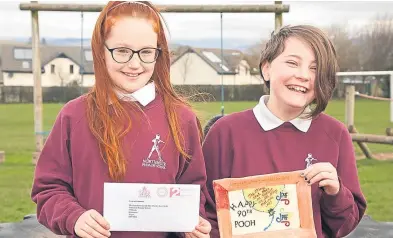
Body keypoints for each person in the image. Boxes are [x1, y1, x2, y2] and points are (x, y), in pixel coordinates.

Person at [31, 1, 211, 238]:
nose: (135, 64)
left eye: (146, 52)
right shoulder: (73, 115)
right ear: (101, 50)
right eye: (122, 51)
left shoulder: (182, 119)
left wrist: (192, 224)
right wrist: (74, 217)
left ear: (159, 54)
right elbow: (48, 190)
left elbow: (193, 191)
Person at [202, 25, 367, 238]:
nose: (303, 75)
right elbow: (204, 211)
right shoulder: (224, 132)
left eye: (314, 68)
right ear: (266, 69)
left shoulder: (335, 134)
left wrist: (335, 193)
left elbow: (345, 225)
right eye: (292, 63)